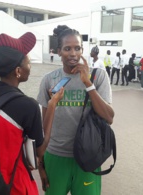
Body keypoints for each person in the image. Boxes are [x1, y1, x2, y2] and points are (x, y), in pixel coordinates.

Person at [0, 32, 64, 195]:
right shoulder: (27, 106)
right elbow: (40, 151)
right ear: (18, 71)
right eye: (28, 61)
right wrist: (52, 104)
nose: (30, 65)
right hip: (12, 185)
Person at [37, 25, 114, 195]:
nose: (73, 53)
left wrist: (88, 84)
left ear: (82, 50)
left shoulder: (97, 76)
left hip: (88, 156)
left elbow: (109, 117)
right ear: (58, 51)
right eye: (67, 48)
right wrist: (41, 166)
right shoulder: (49, 80)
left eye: (77, 48)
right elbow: (43, 129)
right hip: (56, 156)